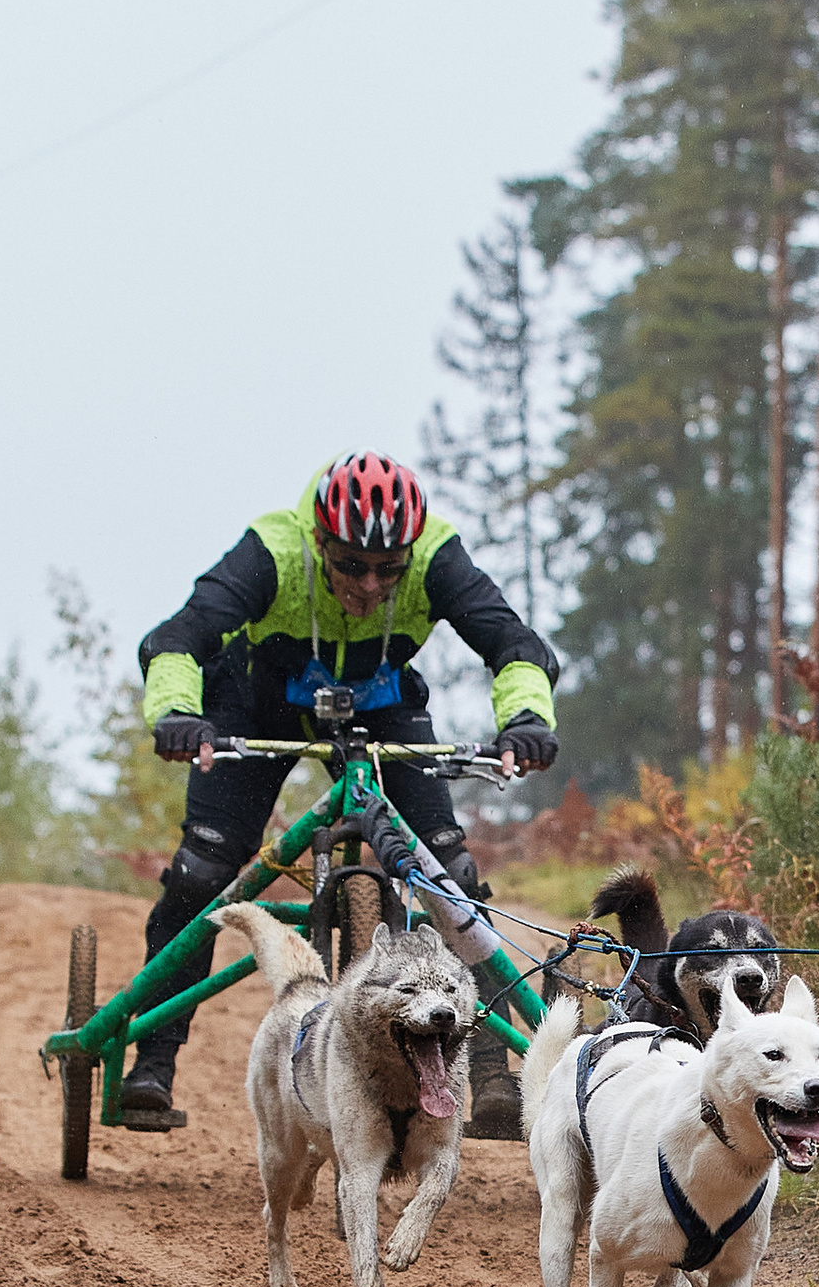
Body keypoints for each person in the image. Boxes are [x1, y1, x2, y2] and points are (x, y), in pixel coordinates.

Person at [122, 452, 560, 1139]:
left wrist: (527, 721)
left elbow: (516, 646)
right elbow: (175, 639)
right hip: (253, 701)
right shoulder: (272, 549)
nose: (369, 584)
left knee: (452, 875)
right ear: (321, 541)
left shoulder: (437, 556)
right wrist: (178, 713)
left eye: (389, 570)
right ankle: (152, 1062)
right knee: (203, 874)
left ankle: (493, 1066)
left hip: (379, 707)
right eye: (351, 564)